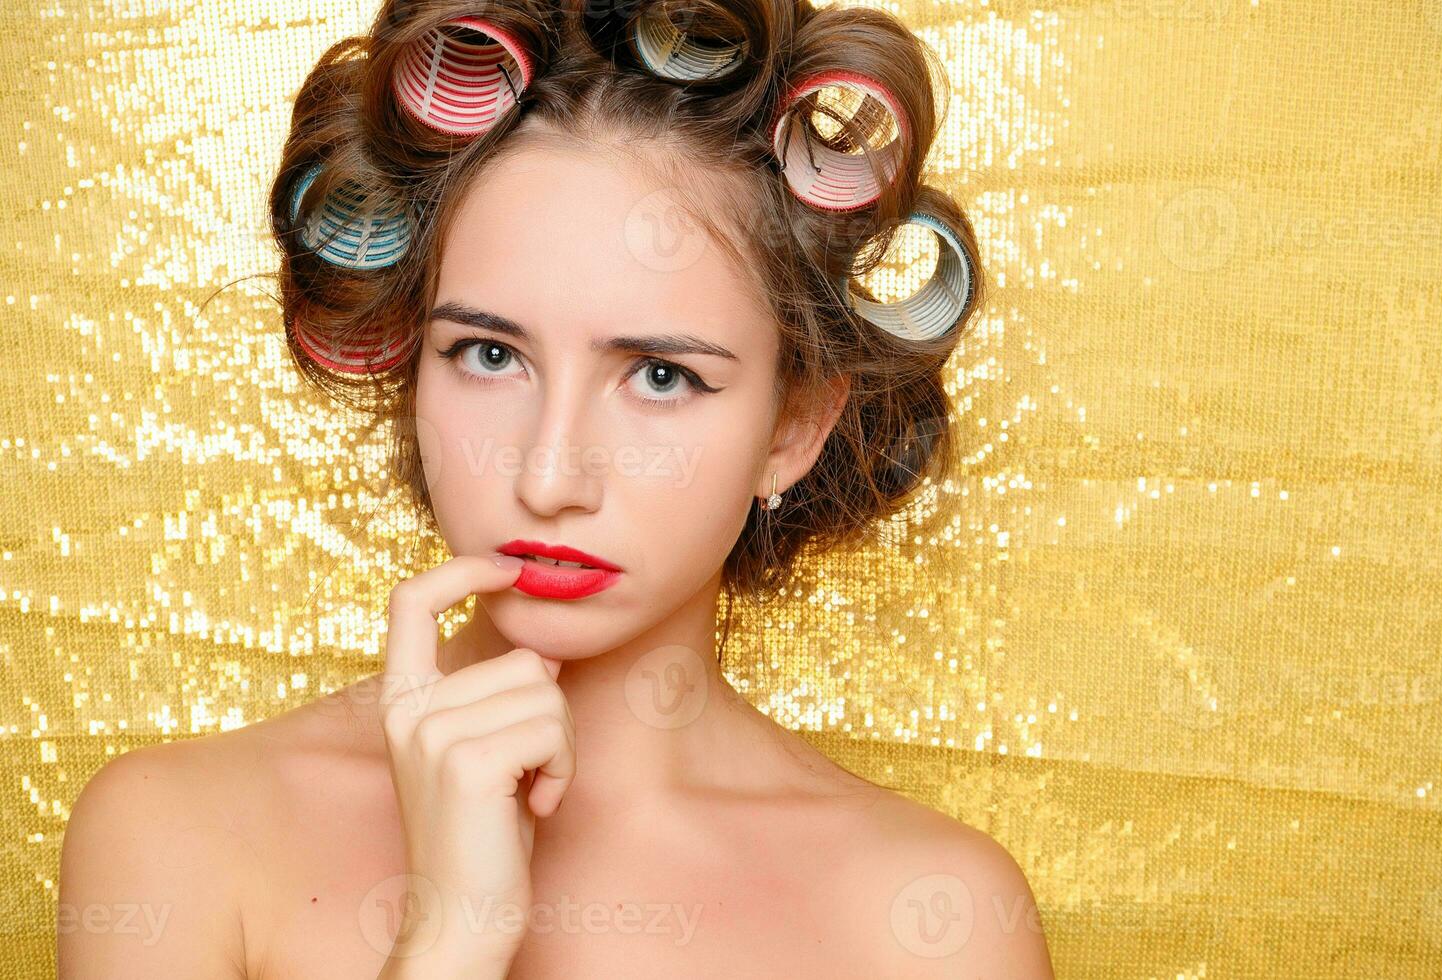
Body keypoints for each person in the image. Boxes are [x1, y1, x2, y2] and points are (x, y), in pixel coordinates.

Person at [57, 1, 1054, 976]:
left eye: (661, 375)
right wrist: (449, 940)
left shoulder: (933, 920)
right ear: (410, 359)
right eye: (489, 354)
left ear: (792, 427)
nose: (547, 476)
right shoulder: (180, 837)